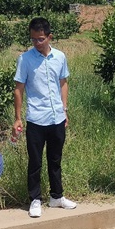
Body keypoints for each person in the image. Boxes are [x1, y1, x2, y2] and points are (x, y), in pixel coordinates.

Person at [13, 17, 77, 218]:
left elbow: (63, 83)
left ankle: (57, 197)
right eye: (33, 39)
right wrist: (17, 118)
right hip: (36, 119)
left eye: (40, 39)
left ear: (50, 37)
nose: (37, 43)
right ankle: (35, 199)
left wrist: (64, 110)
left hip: (57, 117)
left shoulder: (60, 57)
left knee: (55, 159)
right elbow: (19, 89)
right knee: (35, 161)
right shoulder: (25, 59)